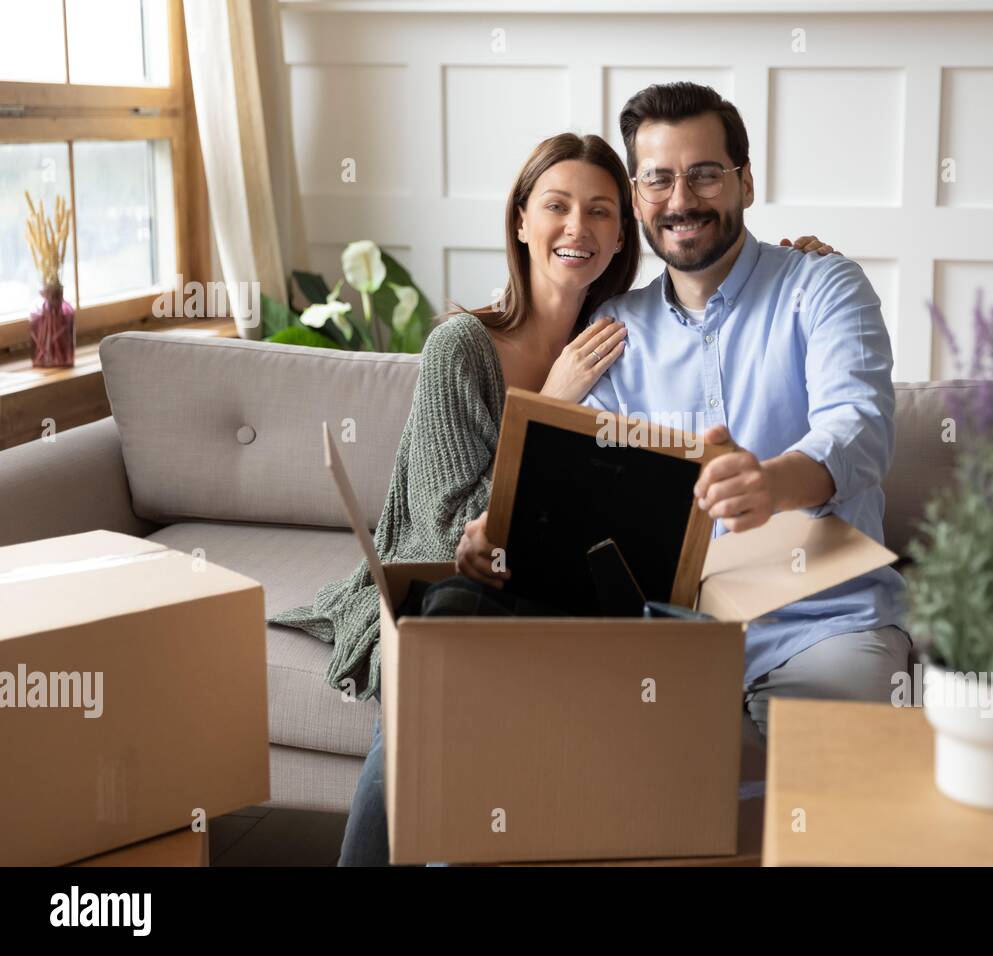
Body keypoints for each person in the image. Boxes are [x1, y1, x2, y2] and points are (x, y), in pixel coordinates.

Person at [269, 130, 838, 865]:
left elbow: (719, 324)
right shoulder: (462, 347)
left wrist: (795, 268)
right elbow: (447, 528)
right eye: (557, 206)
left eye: (602, 211)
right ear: (520, 221)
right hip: (453, 583)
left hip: (574, 591)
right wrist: (549, 401)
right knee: (435, 670)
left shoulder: (628, 335)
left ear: (623, 231)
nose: (579, 228)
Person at [460, 82, 912, 744]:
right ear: (638, 198)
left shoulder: (823, 288)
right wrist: (496, 531)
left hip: (824, 625)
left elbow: (861, 428)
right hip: (668, 636)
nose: (681, 201)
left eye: (704, 175)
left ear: (746, 182)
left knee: (824, 802)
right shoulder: (612, 329)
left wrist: (771, 483)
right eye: (658, 180)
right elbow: (584, 488)